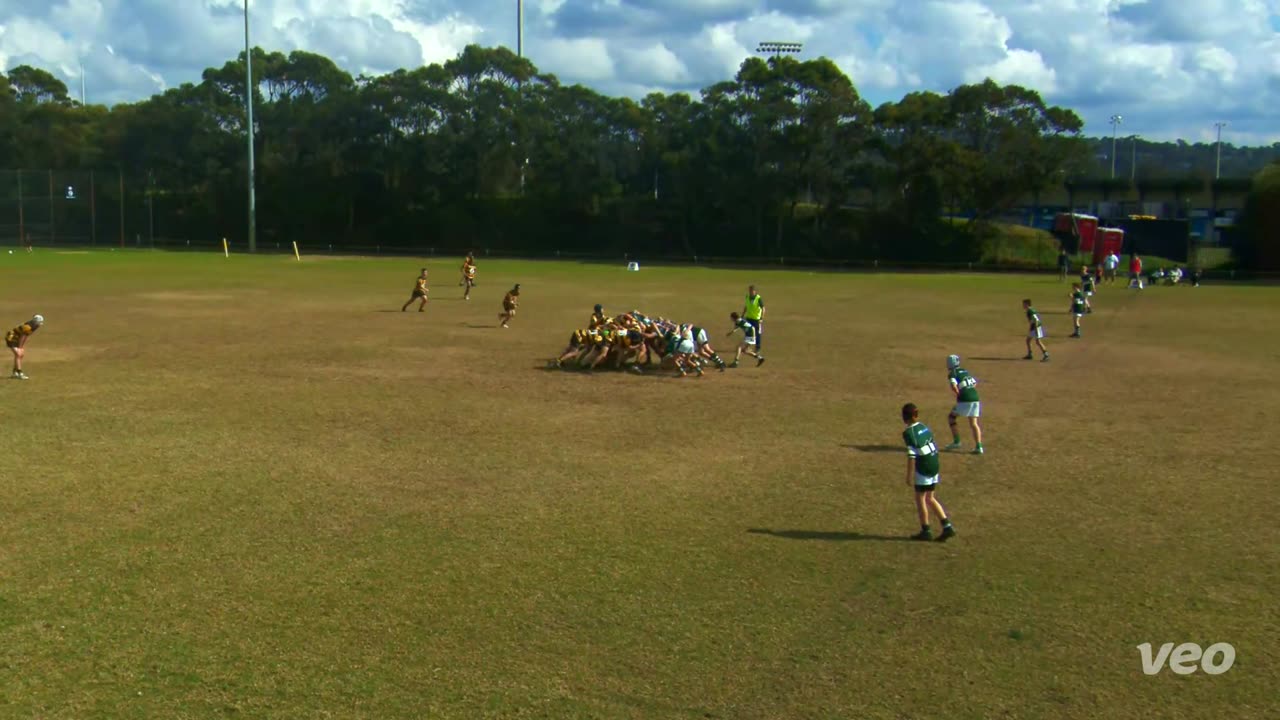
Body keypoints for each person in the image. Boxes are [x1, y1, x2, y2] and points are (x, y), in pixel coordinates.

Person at [901, 403, 956, 542]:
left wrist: (909, 475)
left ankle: (926, 530)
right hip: (934, 463)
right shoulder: (924, 427)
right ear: (916, 415)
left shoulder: (908, 433)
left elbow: (911, 456)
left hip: (924, 466)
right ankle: (947, 526)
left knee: (920, 498)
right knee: (930, 498)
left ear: (904, 418)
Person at [943, 355, 983, 454]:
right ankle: (979, 447)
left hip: (965, 400)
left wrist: (958, 394)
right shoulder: (965, 371)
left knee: (951, 417)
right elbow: (974, 383)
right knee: (974, 423)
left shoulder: (953, 373)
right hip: (975, 398)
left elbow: (953, 386)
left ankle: (957, 441)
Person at [6, 315, 43, 380]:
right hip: (11, 337)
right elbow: (22, 337)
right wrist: (20, 347)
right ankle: (20, 373)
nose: (40, 323)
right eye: (39, 322)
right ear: (36, 321)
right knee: (18, 354)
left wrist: (22, 347)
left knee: (20, 355)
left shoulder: (34, 326)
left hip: (17, 338)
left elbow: (26, 336)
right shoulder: (28, 327)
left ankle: (15, 372)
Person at [742, 285, 765, 352]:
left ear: (755, 291)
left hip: (756, 319)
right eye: (750, 290)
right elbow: (746, 306)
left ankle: (757, 347)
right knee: (748, 332)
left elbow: (763, 308)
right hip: (749, 318)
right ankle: (747, 347)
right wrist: (742, 315)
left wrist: (761, 318)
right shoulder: (747, 297)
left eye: (752, 291)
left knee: (757, 333)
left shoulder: (758, 298)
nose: (751, 292)